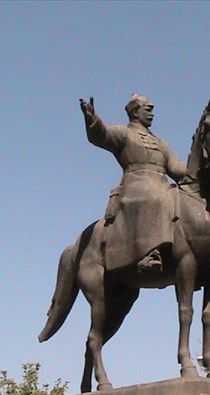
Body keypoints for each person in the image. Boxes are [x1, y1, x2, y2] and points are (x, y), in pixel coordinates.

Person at [80, 94, 186, 273]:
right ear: (136, 112)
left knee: (185, 200)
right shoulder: (124, 133)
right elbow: (102, 134)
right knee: (155, 196)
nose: (152, 114)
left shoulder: (160, 143)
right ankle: (148, 252)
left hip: (162, 184)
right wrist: (92, 119)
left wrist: (200, 168)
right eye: (148, 109)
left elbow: (177, 169)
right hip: (136, 185)